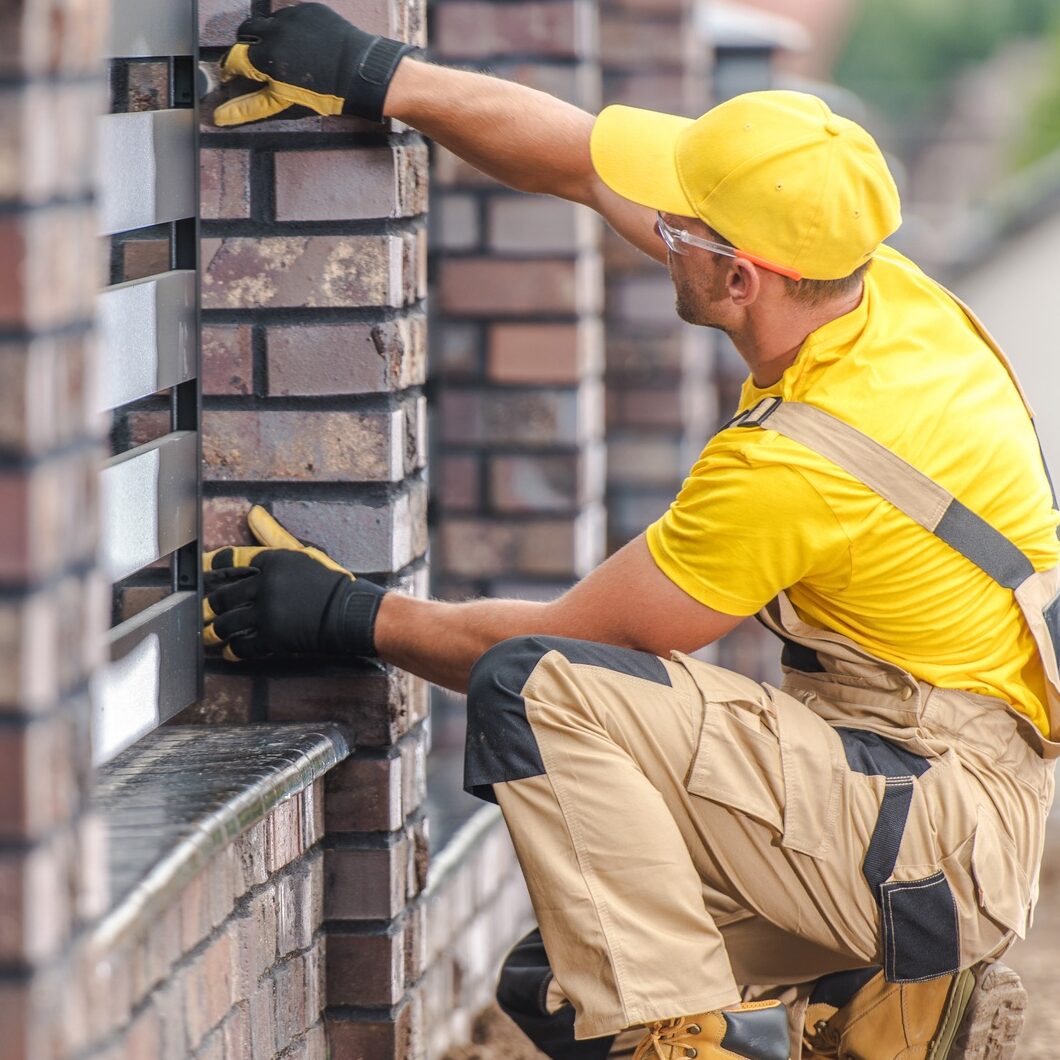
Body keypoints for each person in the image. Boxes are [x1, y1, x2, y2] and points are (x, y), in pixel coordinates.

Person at [203, 5, 1060, 1058]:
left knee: (540, 688)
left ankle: (706, 1037)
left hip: (928, 833)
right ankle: (883, 1006)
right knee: (561, 987)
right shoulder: (866, 283)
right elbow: (577, 158)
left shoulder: (798, 465)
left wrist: (344, 615)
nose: (658, 227)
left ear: (741, 277)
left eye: (681, 226)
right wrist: (381, 74)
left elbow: (557, 650)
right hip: (919, 796)